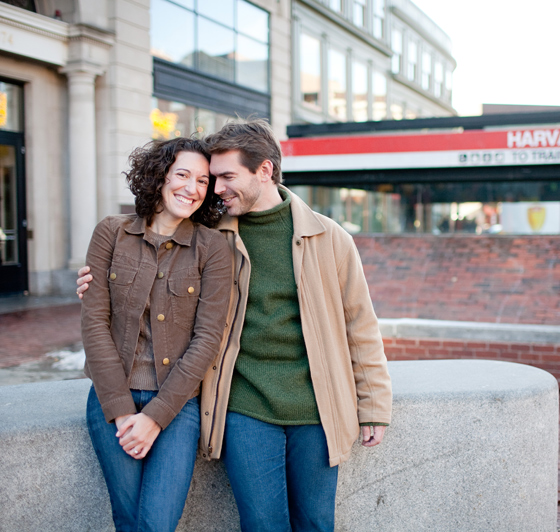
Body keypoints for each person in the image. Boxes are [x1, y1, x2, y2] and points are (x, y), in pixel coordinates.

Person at [78, 119, 392, 532]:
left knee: (316, 522)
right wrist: (92, 282)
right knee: (262, 524)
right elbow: (148, 265)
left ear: (264, 171)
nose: (215, 189)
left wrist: (374, 405)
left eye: (225, 177)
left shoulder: (328, 237)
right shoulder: (214, 235)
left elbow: (360, 325)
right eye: (213, 178)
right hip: (244, 405)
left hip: (317, 405)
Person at [81, 137, 232, 532]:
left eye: (203, 181)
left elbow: (207, 339)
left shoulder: (212, 248)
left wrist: (154, 417)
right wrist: (121, 410)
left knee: (155, 523)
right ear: (159, 176)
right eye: (182, 174)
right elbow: (94, 321)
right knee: (128, 519)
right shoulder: (110, 233)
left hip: (176, 406)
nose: (192, 188)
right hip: (110, 399)